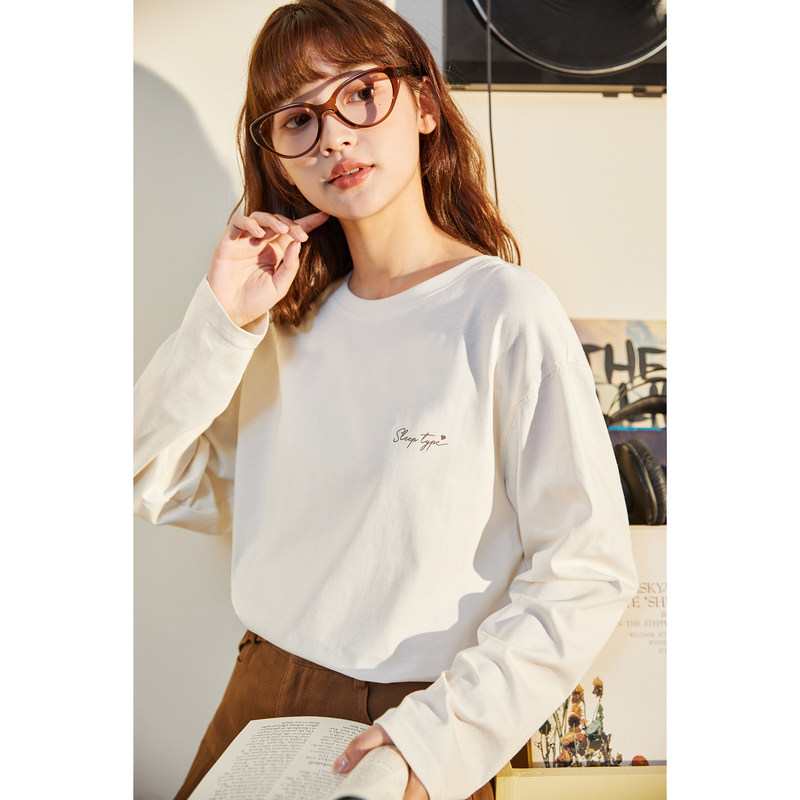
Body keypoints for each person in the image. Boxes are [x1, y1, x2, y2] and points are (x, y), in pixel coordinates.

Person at [133, 1, 638, 798]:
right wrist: (221, 319)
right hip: (257, 699)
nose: (333, 137)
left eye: (361, 94)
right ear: (279, 159)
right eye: (299, 118)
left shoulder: (503, 311)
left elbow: (586, 568)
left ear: (425, 105)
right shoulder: (284, 322)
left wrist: (436, 739)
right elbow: (148, 475)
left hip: (414, 721)